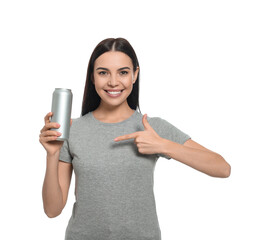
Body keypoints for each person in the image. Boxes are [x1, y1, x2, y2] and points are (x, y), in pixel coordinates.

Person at [39, 37, 231, 240]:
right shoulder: (73, 129)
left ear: (135, 75)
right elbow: (53, 210)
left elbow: (222, 168)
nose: (113, 82)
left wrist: (164, 145)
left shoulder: (152, 127)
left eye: (123, 72)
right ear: (93, 77)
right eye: (103, 72)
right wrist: (52, 155)